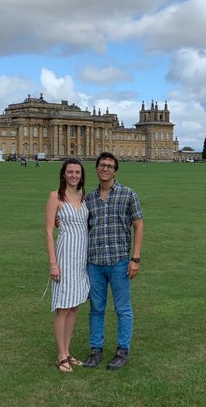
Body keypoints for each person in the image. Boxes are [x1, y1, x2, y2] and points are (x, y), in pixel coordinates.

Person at [81, 151, 144, 371]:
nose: (105, 169)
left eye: (109, 166)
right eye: (102, 165)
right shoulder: (88, 198)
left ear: (115, 170)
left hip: (119, 261)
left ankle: (122, 351)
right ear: (97, 169)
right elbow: (80, 226)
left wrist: (135, 258)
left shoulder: (128, 194)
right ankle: (95, 350)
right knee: (96, 308)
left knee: (123, 309)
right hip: (95, 263)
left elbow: (139, 225)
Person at [44, 158, 90, 373]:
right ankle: (61, 355)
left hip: (81, 258)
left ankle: (68, 351)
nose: (74, 175)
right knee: (63, 307)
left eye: (77, 172)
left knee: (74, 306)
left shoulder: (84, 197)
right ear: (63, 174)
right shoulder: (56, 197)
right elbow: (48, 231)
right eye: (70, 172)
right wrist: (53, 263)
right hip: (64, 257)